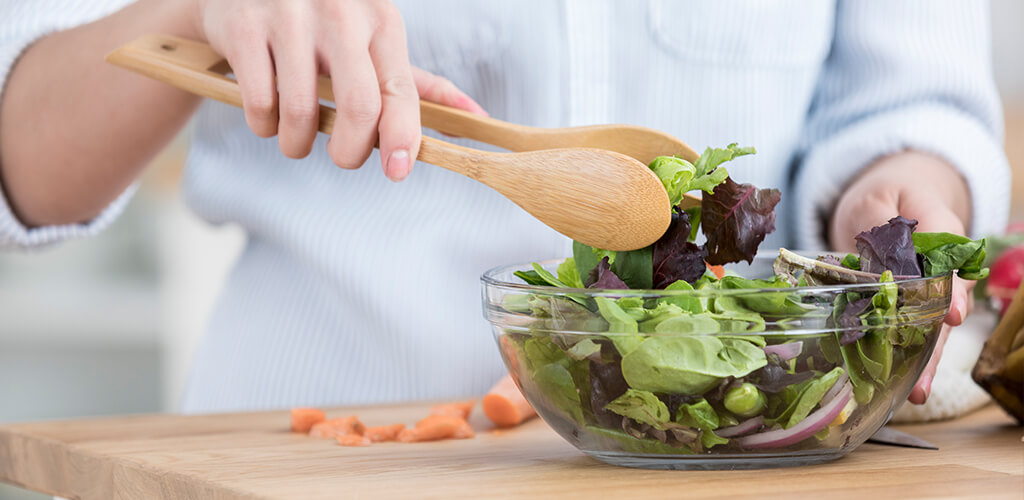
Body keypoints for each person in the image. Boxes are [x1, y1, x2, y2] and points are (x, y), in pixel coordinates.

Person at [0, 0, 1008, 413]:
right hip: (299, 450)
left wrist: (894, 200)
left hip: (722, 454)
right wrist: (193, 7)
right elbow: (26, 163)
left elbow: (910, 99)